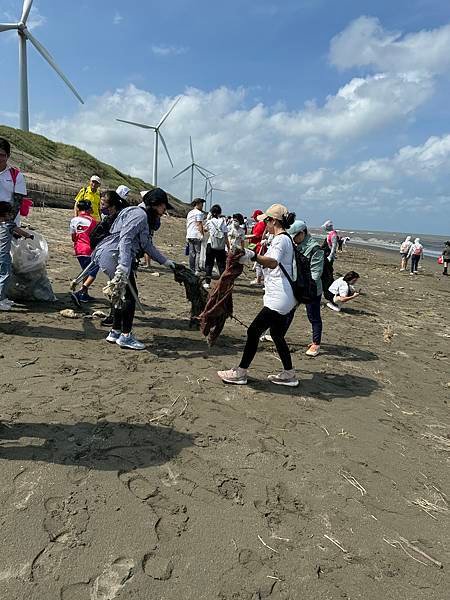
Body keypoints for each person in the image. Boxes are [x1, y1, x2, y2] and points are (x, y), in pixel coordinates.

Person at [218, 204, 298, 387]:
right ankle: (290, 374)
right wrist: (248, 258)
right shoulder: (283, 239)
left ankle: (240, 372)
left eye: (267, 220)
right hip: (284, 297)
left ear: (274, 221)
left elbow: (272, 262)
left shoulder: (281, 240)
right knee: (277, 335)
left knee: (253, 331)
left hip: (279, 299)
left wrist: (252, 255)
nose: (265, 224)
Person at [93, 188, 175, 350]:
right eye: (163, 207)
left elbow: (146, 245)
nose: (164, 211)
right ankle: (126, 336)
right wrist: (123, 266)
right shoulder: (139, 215)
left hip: (112, 255)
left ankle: (115, 331)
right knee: (130, 296)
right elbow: (125, 239)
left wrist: (166, 262)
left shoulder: (142, 216)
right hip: (115, 255)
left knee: (119, 293)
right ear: (155, 204)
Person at [288, 220, 324, 357]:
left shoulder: (315, 249)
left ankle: (316, 344)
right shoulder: (296, 245)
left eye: (295, 237)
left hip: (312, 289)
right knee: (288, 311)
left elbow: (316, 273)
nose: (294, 240)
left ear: (302, 233)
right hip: (297, 285)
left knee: (313, 316)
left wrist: (305, 289)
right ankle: (279, 335)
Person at [0, 201, 34, 310]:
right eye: (9, 214)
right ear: (5, 215)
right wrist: (29, 236)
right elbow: (21, 232)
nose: (11, 216)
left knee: (3, 275)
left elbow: (10, 233)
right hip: (3, 255)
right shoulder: (10, 224)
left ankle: (3, 298)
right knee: (5, 276)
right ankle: (0, 300)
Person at [69, 200, 99, 305]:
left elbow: (73, 237)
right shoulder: (92, 221)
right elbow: (96, 236)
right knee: (93, 271)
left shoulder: (74, 220)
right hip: (89, 249)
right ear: (88, 209)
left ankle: (84, 294)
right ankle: (81, 291)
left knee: (85, 271)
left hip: (78, 249)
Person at [0, 137, 27, 223]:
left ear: (8, 156)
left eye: (2, 155)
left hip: (8, 225)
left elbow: (17, 203)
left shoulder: (17, 176)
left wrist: (7, 222)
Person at [203, 204, 230, 290]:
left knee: (209, 264)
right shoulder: (223, 222)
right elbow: (225, 236)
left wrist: (208, 218)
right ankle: (223, 283)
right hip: (221, 246)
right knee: (221, 265)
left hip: (211, 244)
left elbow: (205, 229)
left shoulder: (210, 221)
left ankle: (207, 282)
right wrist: (228, 247)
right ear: (219, 213)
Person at [186, 198, 206, 273]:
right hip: (196, 235)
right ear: (197, 204)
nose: (202, 206)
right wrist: (202, 234)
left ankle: (191, 269)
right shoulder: (199, 213)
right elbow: (199, 224)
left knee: (192, 253)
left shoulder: (190, 212)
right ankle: (197, 269)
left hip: (189, 234)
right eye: (201, 204)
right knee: (198, 252)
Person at [247, 209, 266, 286]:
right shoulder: (262, 223)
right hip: (258, 245)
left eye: (254, 217)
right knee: (259, 263)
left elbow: (256, 235)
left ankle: (258, 280)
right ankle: (259, 279)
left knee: (259, 263)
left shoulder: (261, 224)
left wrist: (245, 237)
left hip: (259, 245)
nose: (253, 218)